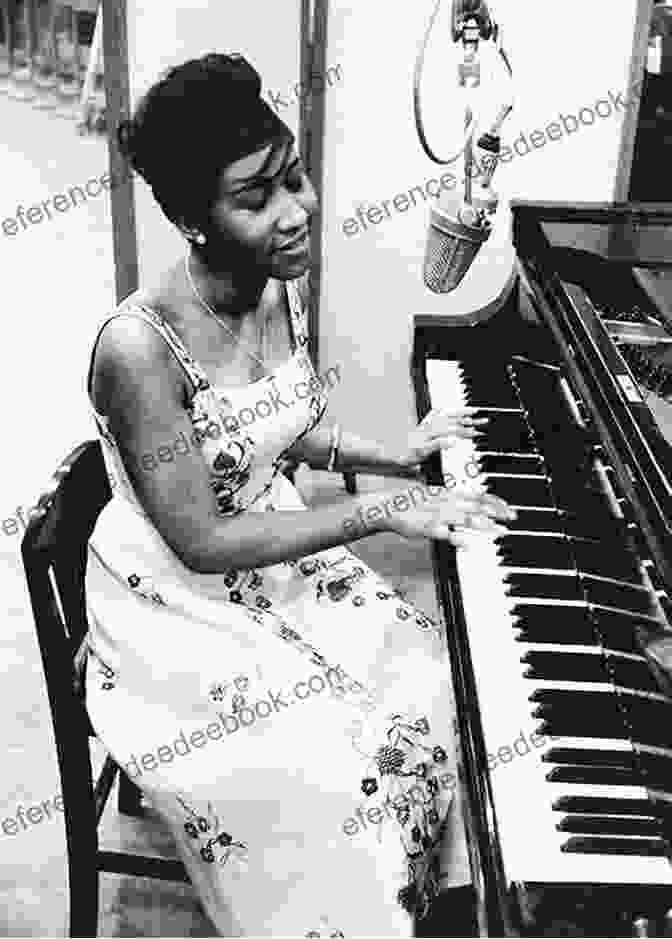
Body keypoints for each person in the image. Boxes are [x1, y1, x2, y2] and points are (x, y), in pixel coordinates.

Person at [83, 52, 516, 937]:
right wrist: (377, 510)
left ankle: (419, 904)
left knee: (438, 688)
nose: (296, 212)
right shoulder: (140, 351)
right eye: (256, 198)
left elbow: (295, 426)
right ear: (193, 221)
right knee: (334, 779)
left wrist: (399, 454)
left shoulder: (275, 283)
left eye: (295, 176)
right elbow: (200, 537)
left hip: (270, 545)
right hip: (171, 597)